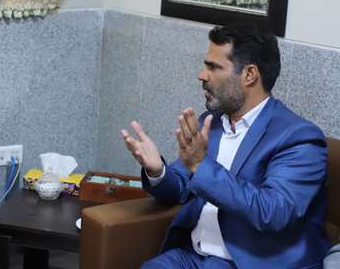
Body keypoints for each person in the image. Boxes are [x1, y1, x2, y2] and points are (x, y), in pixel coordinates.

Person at [121, 24, 330, 268]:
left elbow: (272, 212)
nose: (202, 75)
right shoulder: (212, 123)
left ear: (249, 75)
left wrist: (201, 165)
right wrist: (157, 171)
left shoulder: (299, 138)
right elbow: (179, 189)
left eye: (213, 67)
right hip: (193, 256)